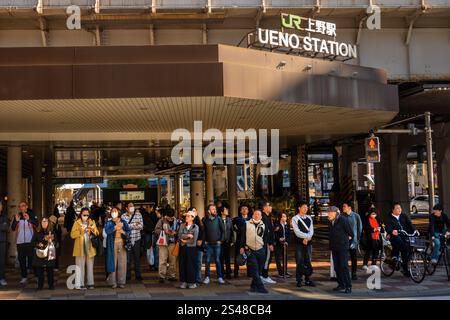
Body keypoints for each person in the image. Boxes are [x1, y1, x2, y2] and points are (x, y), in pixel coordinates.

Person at [238, 210, 270, 294]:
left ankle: (253, 286)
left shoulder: (264, 225)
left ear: (261, 216)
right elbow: (242, 236)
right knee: (254, 269)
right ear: (252, 215)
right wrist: (241, 247)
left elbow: (266, 237)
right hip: (250, 249)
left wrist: (264, 247)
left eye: (258, 214)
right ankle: (260, 287)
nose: (257, 216)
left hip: (261, 249)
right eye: (255, 214)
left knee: (258, 270)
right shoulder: (247, 224)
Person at [385, 203, 418, 277]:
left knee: (408, 248)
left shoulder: (404, 216)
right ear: (393, 210)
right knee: (403, 248)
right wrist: (391, 231)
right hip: (395, 236)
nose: (399, 209)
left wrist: (415, 230)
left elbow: (410, 224)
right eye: (397, 208)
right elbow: (388, 227)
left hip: (405, 235)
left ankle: (403, 264)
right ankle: (404, 268)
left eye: (400, 208)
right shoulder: (389, 218)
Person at [71, 207, 99, 290]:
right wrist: (80, 230)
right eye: (84, 214)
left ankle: (90, 283)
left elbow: (97, 233)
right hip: (80, 248)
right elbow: (72, 235)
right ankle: (80, 284)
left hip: (90, 248)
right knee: (80, 266)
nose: (86, 216)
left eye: (87, 214)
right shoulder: (77, 223)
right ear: (81, 214)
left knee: (90, 266)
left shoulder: (92, 222)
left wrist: (93, 229)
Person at [11, 201, 38, 285]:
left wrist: (29, 219)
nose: (21, 207)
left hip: (30, 241)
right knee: (22, 260)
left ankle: (36, 276)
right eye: (20, 206)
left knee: (32, 260)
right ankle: (24, 277)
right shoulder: (18, 216)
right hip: (20, 242)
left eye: (23, 206)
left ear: (26, 206)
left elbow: (37, 224)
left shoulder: (31, 214)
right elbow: (13, 228)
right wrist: (16, 221)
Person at [328, 206, 353, 294]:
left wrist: (346, 241)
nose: (328, 215)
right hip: (334, 247)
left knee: (343, 266)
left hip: (343, 247)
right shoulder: (330, 221)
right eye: (328, 213)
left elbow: (350, 232)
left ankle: (348, 286)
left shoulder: (343, 220)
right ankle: (341, 284)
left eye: (330, 213)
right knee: (337, 267)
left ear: (335, 213)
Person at [105, 207, 131, 288]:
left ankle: (121, 282)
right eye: (112, 211)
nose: (114, 212)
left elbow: (129, 231)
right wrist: (115, 228)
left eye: (115, 211)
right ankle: (113, 282)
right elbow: (107, 231)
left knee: (122, 263)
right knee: (113, 262)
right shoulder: (109, 222)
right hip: (112, 244)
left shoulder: (123, 221)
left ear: (118, 212)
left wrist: (123, 232)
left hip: (122, 243)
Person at [292, 201, 315, 287]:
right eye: (304, 207)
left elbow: (311, 230)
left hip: (308, 243)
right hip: (299, 243)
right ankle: (299, 280)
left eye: (307, 207)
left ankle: (308, 279)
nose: (306, 209)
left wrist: (308, 237)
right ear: (299, 208)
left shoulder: (309, 218)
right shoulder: (295, 218)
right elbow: (297, 232)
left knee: (308, 260)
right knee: (299, 261)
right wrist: (306, 237)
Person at [154, 208, 179, 283]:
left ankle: (172, 275)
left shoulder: (177, 221)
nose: (170, 219)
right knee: (162, 260)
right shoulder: (161, 221)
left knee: (173, 260)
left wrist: (175, 233)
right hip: (163, 243)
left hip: (173, 243)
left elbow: (180, 231)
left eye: (172, 217)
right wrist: (164, 231)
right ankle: (162, 276)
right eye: (169, 217)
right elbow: (156, 230)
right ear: (166, 216)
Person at [202, 204, 225, 285]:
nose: (214, 210)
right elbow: (204, 231)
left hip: (217, 244)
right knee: (207, 261)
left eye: (215, 209)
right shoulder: (205, 220)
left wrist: (220, 240)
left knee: (217, 261)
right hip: (208, 244)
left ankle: (219, 277)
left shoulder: (218, 219)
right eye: (212, 209)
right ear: (209, 211)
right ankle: (207, 277)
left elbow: (223, 231)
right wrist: (204, 241)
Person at [32, 217, 57, 290]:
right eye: (43, 221)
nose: (44, 223)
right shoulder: (37, 231)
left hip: (49, 253)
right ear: (40, 223)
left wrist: (51, 241)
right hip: (40, 254)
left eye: (46, 221)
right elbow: (32, 242)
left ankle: (51, 285)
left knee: (50, 271)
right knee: (40, 271)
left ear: (48, 223)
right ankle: (40, 286)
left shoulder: (52, 232)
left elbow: (56, 243)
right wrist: (40, 243)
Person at [178, 211, 199, 289]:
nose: (186, 217)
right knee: (182, 264)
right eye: (186, 216)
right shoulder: (182, 225)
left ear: (192, 218)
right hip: (183, 248)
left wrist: (185, 240)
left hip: (191, 248)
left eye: (188, 216)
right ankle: (184, 282)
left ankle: (192, 282)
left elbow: (194, 239)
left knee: (191, 265)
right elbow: (179, 236)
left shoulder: (195, 227)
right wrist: (188, 235)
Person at [122, 202, 144, 281]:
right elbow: (124, 227)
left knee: (137, 258)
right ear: (126, 208)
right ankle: (128, 275)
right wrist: (135, 224)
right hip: (127, 240)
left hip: (137, 239)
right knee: (128, 259)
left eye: (133, 206)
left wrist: (130, 225)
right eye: (130, 206)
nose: (132, 207)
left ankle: (138, 275)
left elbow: (141, 226)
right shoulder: (123, 216)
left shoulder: (138, 215)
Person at [342, 202, 362, 280]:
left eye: (344, 206)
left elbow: (359, 228)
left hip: (353, 241)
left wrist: (357, 239)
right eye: (343, 206)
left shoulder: (356, 216)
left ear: (349, 207)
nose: (343, 208)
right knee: (344, 258)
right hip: (344, 240)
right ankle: (345, 273)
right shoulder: (341, 216)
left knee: (354, 257)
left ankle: (354, 273)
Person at [232, 204, 251, 278]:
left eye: (246, 208)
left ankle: (249, 273)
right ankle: (236, 273)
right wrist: (237, 231)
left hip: (248, 240)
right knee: (238, 256)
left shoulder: (250, 219)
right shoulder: (237, 219)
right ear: (240, 211)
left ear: (248, 210)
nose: (244, 210)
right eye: (243, 209)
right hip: (239, 240)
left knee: (249, 256)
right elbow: (231, 225)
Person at [260, 201, 276, 284]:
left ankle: (263, 276)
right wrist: (270, 243)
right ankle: (264, 276)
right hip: (266, 243)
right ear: (265, 208)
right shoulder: (264, 217)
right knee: (266, 260)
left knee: (265, 260)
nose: (271, 208)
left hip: (266, 242)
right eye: (270, 206)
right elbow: (267, 232)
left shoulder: (267, 217)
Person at [274, 212, 291, 278]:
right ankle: (280, 272)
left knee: (285, 258)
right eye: (283, 216)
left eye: (285, 216)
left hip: (285, 244)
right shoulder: (277, 225)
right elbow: (274, 234)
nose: (284, 218)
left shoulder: (287, 225)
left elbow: (289, 234)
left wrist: (287, 241)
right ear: (280, 217)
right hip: (278, 244)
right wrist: (279, 239)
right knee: (278, 258)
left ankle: (285, 271)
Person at [219, 205, 233, 279]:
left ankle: (228, 272)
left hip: (227, 241)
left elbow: (231, 230)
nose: (227, 211)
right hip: (220, 242)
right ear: (221, 212)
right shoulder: (218, 220)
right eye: (225, 210)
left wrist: (231, 240)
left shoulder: (229, 220)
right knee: (221, 257)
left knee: (227, 258)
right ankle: (221, 272)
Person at [142, 204, 157, 271]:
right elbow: (144, 225)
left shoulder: (154, 215)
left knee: (154, 249)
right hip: (147, 233)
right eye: (146, 207)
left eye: (148, 207)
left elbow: (156, 224)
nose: (147, 208)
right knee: (148, 248)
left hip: (153, 233)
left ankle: (154, 264)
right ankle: (151, 264)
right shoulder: (144, 215)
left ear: (151, 208)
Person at [0, 200, 10, 287]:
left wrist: (3, 225)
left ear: (1, 207)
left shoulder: (5, 217)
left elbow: (5, 227)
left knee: (1, 260)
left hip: (2, 241)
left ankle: (2, 278)